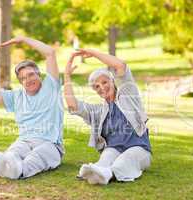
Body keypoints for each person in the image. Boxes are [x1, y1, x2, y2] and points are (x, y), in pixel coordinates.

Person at [0, 36, 64, 179]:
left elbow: (50, 53)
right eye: (24, 78)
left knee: (36, 156)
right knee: (15, 151)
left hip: (51, 144)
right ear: (20, 82)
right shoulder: (15, 97)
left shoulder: (51, 87)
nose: (29, 80)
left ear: (39, 74)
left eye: (31, 75)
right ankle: (6, 166)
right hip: (25, 141)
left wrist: (24, 40)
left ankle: (19, 170)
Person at [64, 49, 152, 185]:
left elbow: (120, 66)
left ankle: (106, 174)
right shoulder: (99, 111)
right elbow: (73, 106)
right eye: (96, 87)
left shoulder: (128, 94)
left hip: (139, 149)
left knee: (125, 160)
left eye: (104, 82)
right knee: (105, 159)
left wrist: (93, 54)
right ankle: (97, 171)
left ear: (113, 80)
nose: (102, 88)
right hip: (114, 148)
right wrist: (67, 76)